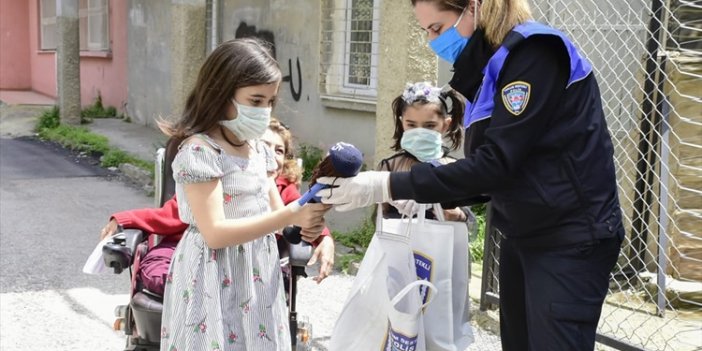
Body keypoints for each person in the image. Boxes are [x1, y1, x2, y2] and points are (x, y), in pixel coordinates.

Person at [317, 1, 624, 350]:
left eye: (437, 28)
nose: (433, 42)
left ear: (474, 8)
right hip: (525, 232)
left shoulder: (535, 53)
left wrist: (385, 184)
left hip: (568, 239)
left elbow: (494, 166)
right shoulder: (497, 66)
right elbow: (494, 171)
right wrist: (421, 188)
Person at [157, 37, 329, 350]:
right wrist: (290, 215)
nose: (264, 110)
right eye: (255, 100)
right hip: (211, 271)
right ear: (221, 94)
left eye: (269, 102)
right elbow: (215, 233)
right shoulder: (200, 151)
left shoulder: (259, 151)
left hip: (258, 273)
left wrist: (306, 224)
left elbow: (278, 220)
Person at [98, 120, 336, 296]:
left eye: (279, 150)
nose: (270, 156)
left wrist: (324, 239)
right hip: (189, 246)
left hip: (251, 259)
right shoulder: (214, 178)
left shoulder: (283, 189)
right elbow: (167, 215)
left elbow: (300, 215)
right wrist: (123, 219)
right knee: (169, 273)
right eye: (264, 147)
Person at [379, 81, 468, 222]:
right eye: (411, 125)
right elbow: (379, 217)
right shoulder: (390, 166)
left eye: (429, 126)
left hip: (439, 242)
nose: (419, 132)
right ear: (402, 123)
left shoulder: (454, 168)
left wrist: (458, 215)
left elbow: (468, 221)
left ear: (446, 125)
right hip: (399, 241)